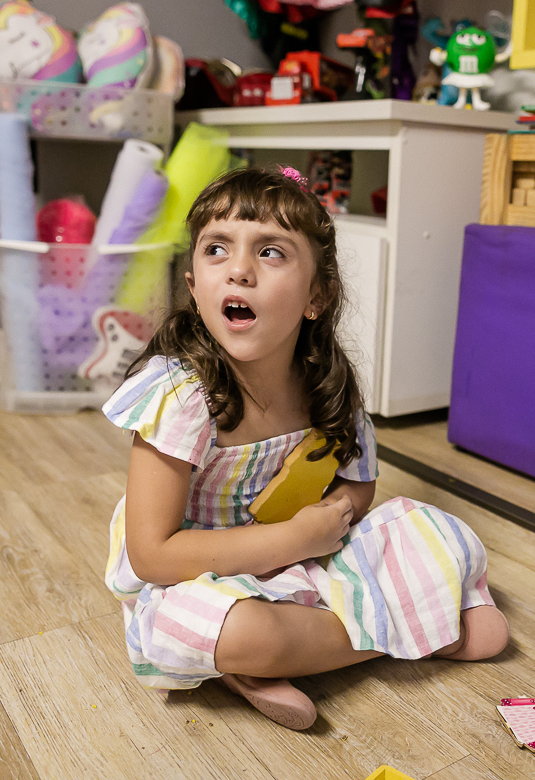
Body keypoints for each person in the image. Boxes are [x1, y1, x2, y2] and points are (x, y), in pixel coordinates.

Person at [102, 167, 510, 730]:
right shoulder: (181, 395)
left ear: (316, 296)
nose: (239, 270)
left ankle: (289, 654)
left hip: (307, 557)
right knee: (235, 630)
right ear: (195, 287)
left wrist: (332, 517)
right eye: (216, 249)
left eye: (270, 253)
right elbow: (153, 555)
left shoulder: (326, 383)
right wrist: (288, 538)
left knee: (445, 541)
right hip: (200, 572)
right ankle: (382, 633)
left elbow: (359, 480)